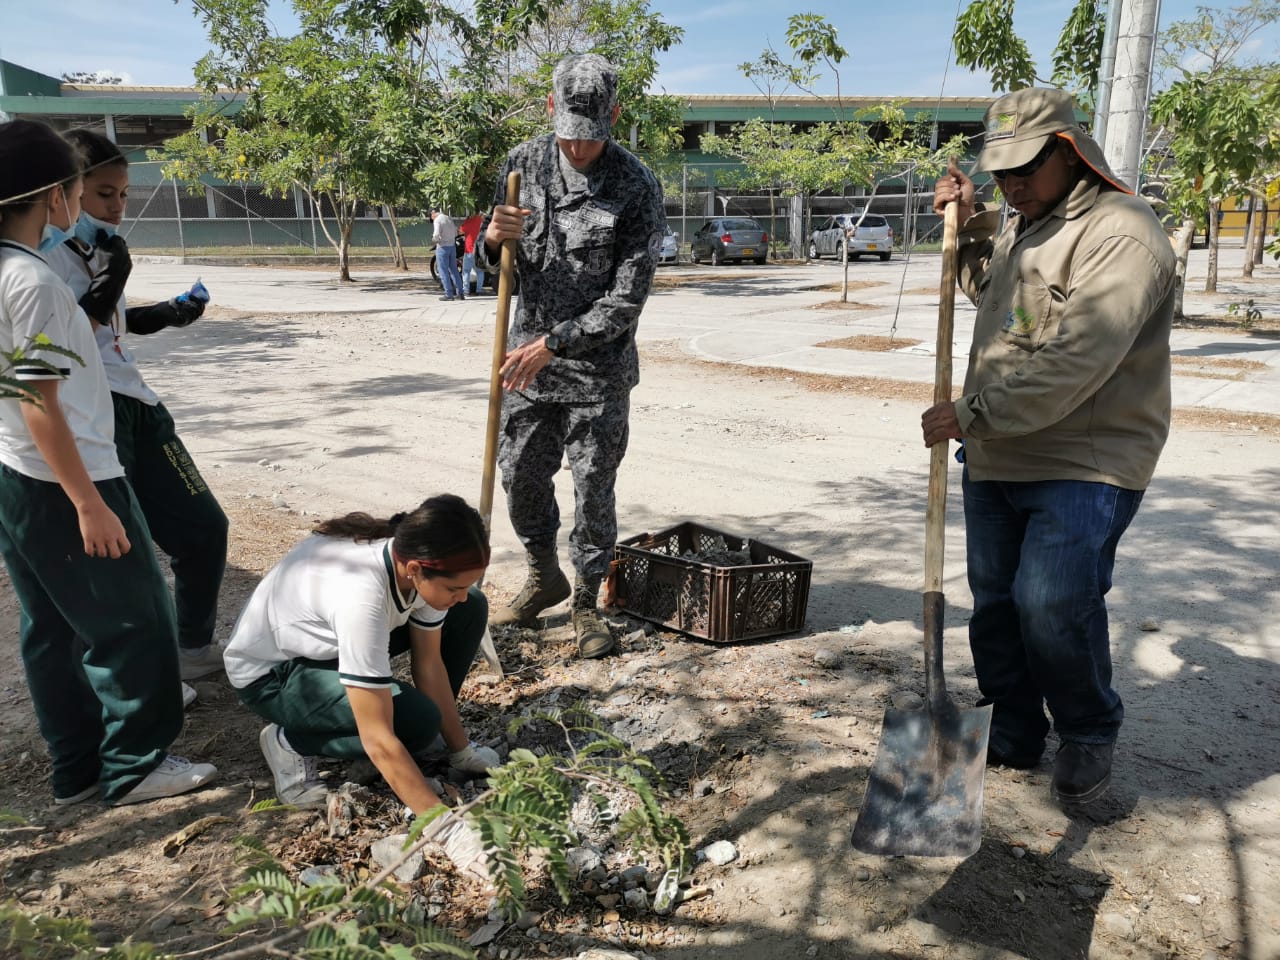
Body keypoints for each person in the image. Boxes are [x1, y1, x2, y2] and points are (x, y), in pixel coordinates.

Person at [922, 87, 1175, 807]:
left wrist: (970, 413)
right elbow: (1001, 305)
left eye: (1025, 169)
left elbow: (1075, 359)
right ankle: (1012, 732)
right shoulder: (1022, 219)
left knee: (1050, 602)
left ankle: (1089, 730)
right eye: (999, 173)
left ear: (1069, 150)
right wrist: (970, 227)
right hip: (999, 449)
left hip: (1085, 458)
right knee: (997, 605)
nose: (1012, 185)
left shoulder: (1123, 233)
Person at [0, 119, 218, 805]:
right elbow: (40, 400)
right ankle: (134, 764)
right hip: (70, 475)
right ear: (55, 196)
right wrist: (88, 501)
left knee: (54, 628)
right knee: (136, 618)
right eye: (80, 190)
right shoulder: (34, 281)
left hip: (19, 475)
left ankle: (78, 770)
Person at [476, 53, 665, 659]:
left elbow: (627, 299)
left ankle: (586, 601)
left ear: (614, 115)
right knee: (521, 476)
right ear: (551, 109)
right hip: (525, 367)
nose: (580, 150)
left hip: (597, 372)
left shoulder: (636, 184)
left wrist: (554, 343)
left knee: (593, 488)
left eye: (593, 138)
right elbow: (494, 264)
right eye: (570, 137)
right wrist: (490, 240)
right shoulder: (521, 165)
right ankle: (542, 575)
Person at [221, 494, 500, 879]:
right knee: (413, 724)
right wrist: (448, 830)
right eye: (454, 586)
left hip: (324, 648)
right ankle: (290, 741)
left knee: (470, 611)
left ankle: (424, 733)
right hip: (273, 676)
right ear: (417, 570)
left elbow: (430, 663)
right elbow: (378, 738)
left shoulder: (413, 563)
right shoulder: (361, 596)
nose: (461, 592)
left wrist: (461, 751)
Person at [45, 130, 229, 696]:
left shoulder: (95, 249)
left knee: (204, 528)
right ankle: (127, 687)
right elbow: (66, 346)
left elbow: (113, 329)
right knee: (117, 561)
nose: (117, 207)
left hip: (139, 404)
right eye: (104, 194)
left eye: (123, 194)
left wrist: (169, 313)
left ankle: (191, 648)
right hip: (92, 416)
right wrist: (110, 281)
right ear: (64, 192)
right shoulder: (42, 261)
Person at [431, 208, 464, 301]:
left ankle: (448, 294)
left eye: (431, 215)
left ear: (433, 213)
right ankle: (460, 293)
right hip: (452, 247)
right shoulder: (448, 218)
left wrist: (434, 240)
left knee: (443, 271)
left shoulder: (437, 220)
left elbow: (436, 235)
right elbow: (455, 232)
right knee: (454, 270)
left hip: (442, 247)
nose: (431, 218)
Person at [459, 212, 483, 296]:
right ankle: (479, 290)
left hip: (469, 250)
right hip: (479, 250)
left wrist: (467, 220)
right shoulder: (481, 220)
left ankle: (466, 290)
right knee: (480, 271)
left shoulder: (469, 221)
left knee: (466, 271)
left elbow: (461, 230)